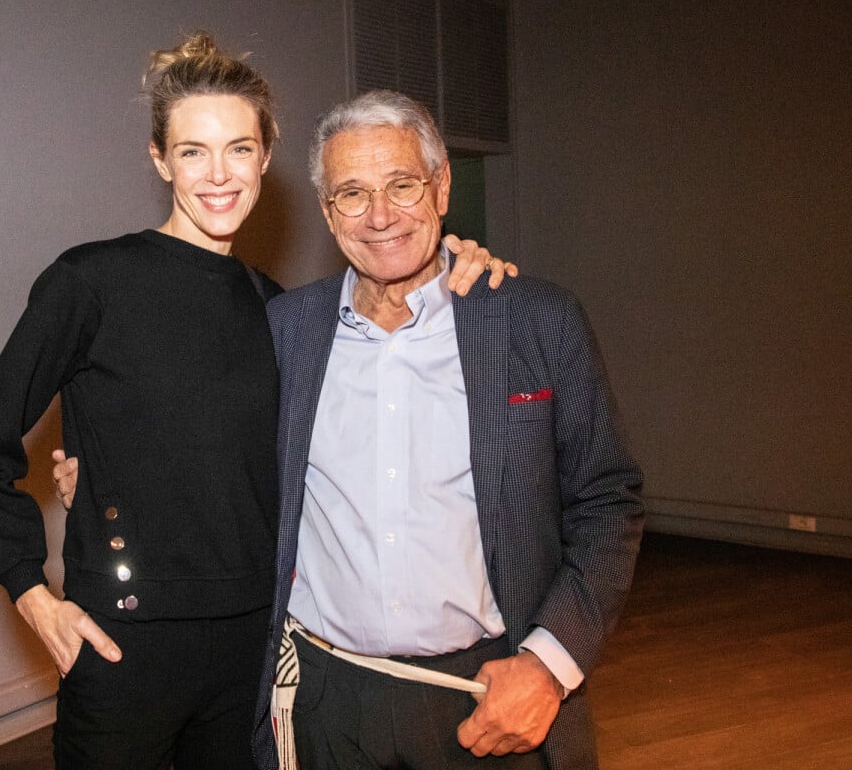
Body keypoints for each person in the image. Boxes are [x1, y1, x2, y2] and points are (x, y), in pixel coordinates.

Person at [0, 33, 513, 770]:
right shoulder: (90, 283)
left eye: (239, 149)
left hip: (255, 645)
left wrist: (455, 261)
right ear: (160, 159)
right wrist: (31, 593)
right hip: (124, 646)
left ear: (266, 156)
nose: (219, 174)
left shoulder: (280, 312)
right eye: (192, 151)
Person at [250, 90, 644, 770]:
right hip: (327, 706)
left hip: (489, 694)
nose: (379, 216)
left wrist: (548, 667)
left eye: (402, 185)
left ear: (441, 187)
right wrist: (91, 466)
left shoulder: (535, 322)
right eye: (351, 193)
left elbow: (609, 502)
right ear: (327, 211)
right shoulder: (285, 332)